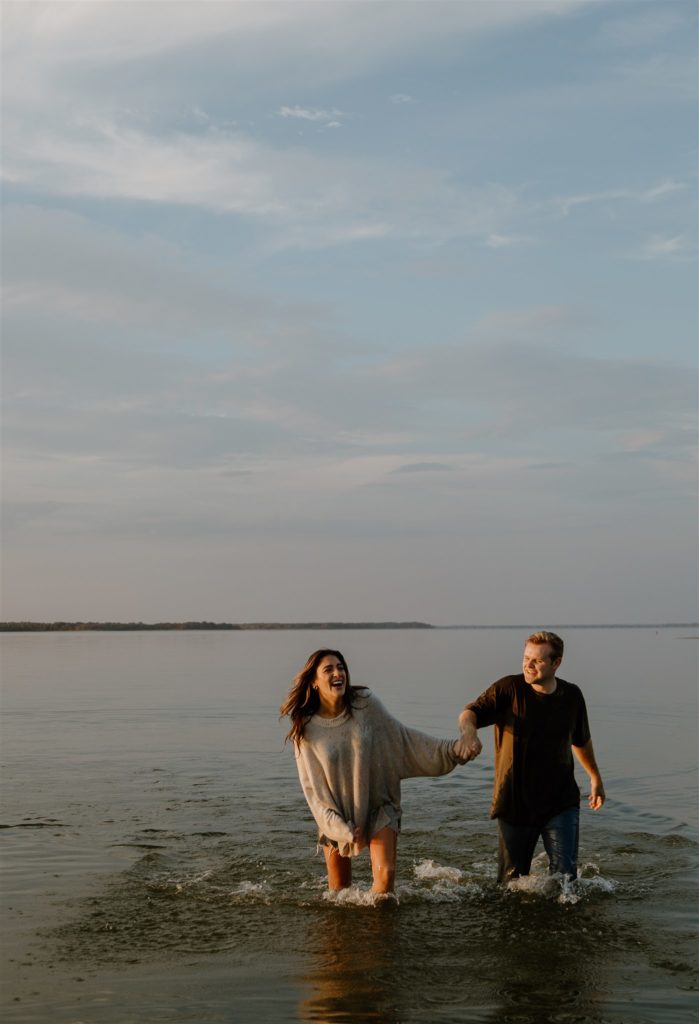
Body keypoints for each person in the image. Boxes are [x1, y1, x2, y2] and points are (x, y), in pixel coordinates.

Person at [281, 648, 474, 893]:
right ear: (314, 682)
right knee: (339, 891)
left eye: (340, 667)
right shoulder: (306, 729)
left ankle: (378, 930)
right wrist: (341, 829)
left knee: (384, 883)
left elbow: (403, 739)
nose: (337, 673)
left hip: (380, 803)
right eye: (328, 669)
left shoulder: (364, 703)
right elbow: (314, 791)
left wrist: (453, 750)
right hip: (335, 813)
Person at [455, 630, 605, 883]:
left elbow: (580, 740)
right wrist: (469, 733)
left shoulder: (572, 696)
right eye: (526, 658)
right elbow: (470, 712)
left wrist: (595, 777)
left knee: (566, 880)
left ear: (556, 663)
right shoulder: (509, 689)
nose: (528, 665)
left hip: (561, 802)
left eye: (537, 660)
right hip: (515, 803)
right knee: (511, 882)